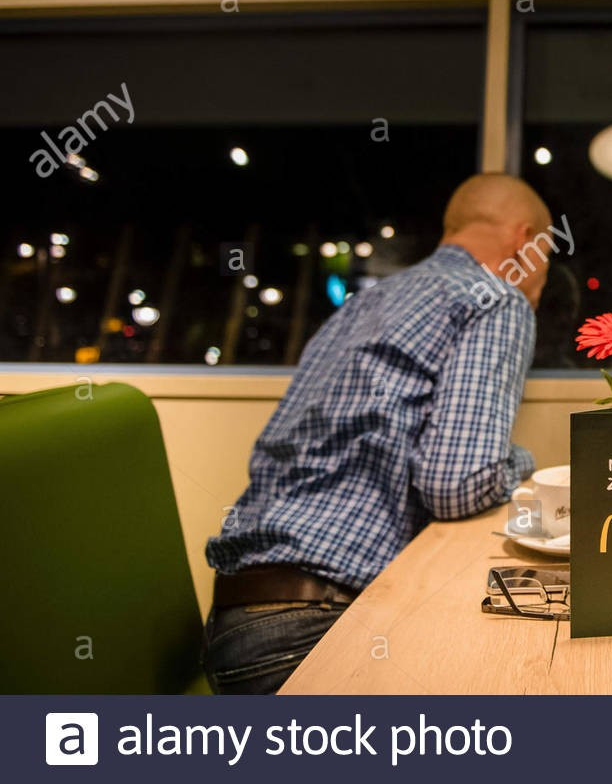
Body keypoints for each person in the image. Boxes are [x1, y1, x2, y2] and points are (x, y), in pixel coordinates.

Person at [202, 173, 552, 693]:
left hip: (234, 623)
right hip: (310, 631)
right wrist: (524, 461)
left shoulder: (364, 303)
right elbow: (456, 483)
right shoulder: (497, 300)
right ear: (528, 240)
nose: (539, 286)